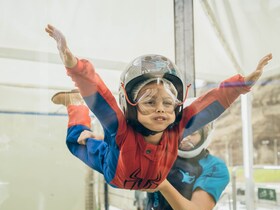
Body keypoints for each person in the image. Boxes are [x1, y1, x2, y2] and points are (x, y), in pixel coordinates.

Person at [45, 24, 272, 190]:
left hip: (132, 173)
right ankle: (76, 105)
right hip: (110, 166)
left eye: (168, 103)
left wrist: (242, 84)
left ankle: (93, 133)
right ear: (132, 107)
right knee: (75, 141)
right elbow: (100, 95)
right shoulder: (121, 127)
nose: (161, 110)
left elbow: (210, 104)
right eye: (150, 103)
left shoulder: (177, 129)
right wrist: (73, 65)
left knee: (95, 139)